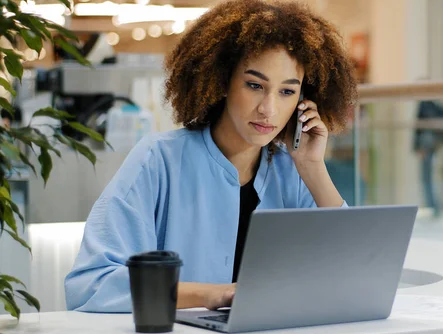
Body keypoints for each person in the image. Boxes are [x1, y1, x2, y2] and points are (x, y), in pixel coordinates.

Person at [64, 0, 357, 313]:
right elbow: (91, 285)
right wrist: (210, 294)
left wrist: (313, 168)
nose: (268, 109)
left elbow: (355, 274)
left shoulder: (294, 171)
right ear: (222, 81)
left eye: (287, 91)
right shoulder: (159, 160)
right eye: (255, 85)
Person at [412, 100, 443, 217]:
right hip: (430, 147)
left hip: (430, 147)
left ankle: (433, 206)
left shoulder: (428, 106)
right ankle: (432, 206)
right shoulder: (430, 105)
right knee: (428, 177)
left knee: (428, 177)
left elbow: (419, 126)